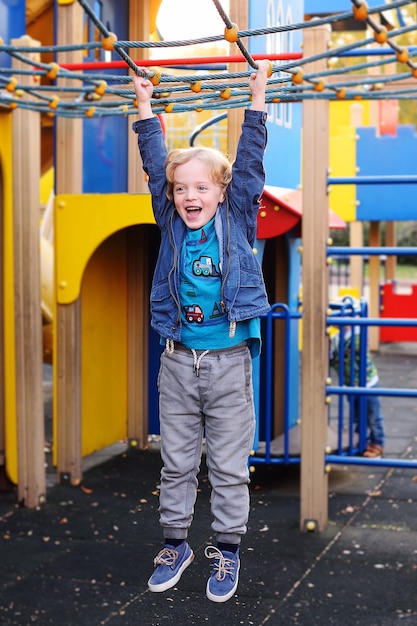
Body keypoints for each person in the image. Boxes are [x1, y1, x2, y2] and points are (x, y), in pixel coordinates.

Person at [131, 60, 270, 603]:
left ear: (220, 191)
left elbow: (252, 162)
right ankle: (175, 544)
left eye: (201, 188)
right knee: (177, 460)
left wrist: (256, 98)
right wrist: (145, 108)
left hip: (230, 361)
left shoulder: (237, 217)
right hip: (177, 360)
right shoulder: (170, 220)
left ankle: (227, 550)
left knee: (230, 466)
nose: (190, 197)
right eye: (181, 188)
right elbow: (152, 164)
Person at [329, 323, 385, 458]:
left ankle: (377, 443)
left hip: (367, 383)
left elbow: (357, 349)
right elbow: (334, 359)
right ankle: (360, 441)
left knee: (373, 416)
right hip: (351, 384)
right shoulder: (337, 338)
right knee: (357, 415)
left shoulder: (358, 335)